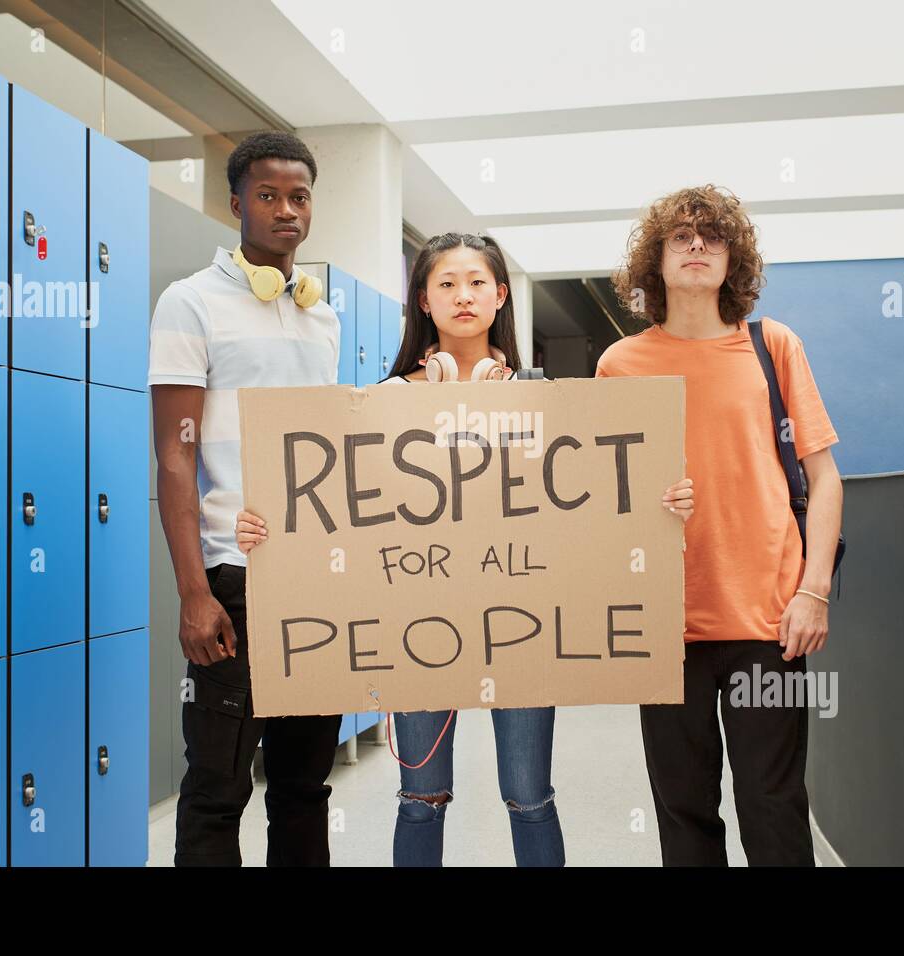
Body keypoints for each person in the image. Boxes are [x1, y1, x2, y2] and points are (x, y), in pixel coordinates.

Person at [236, 232, 694, 867]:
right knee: (420, 795)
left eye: (477, 282)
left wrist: (658, 505)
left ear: (500, 294)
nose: (463, 296)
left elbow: (587, 502)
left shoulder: (542, 397)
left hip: (524, 621)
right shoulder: (382, 404)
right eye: (445, 283)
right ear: (423, 299)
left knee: (529, 794)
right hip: (419, 625)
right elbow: (338, 515)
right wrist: (269, 533)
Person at [597, 185, 843, 866]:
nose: (698, 245)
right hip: (663, 626)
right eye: (682, 236)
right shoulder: (619, 365)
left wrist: (813, 591)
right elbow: (600, 506)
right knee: (684, 814)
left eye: (713, 236)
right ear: (658, 259)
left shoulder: (773, 347)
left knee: (773, 807)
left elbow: (824, 480)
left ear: (734, 259)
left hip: (769, 624)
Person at [149, 131, 343, 866]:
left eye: (299, 197)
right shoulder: (190, 302)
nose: (286, 210)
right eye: (268, 195)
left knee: (304, 786)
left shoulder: (320, 315)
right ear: (236, 205)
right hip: (234, 578)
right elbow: (176, 454)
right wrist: (194, 591)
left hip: (315, 581)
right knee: (217, 787)